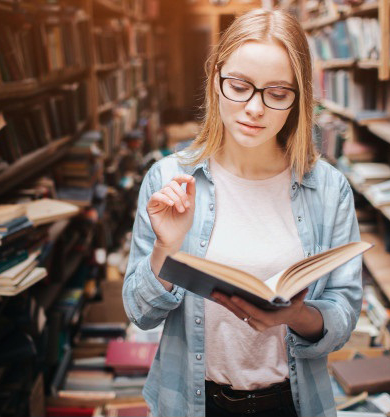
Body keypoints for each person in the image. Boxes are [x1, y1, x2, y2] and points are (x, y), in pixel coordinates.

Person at [122, 8, 362, 417]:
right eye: (240, 86)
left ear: (297, 99)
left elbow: (344, 311)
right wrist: (165, 248)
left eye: (277, 93)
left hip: (292, 402)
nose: (254, 108)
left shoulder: (328, 189)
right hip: (194, 401)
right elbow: (139, 314)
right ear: (216, 79)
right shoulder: (169, 179)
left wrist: (298, 316)